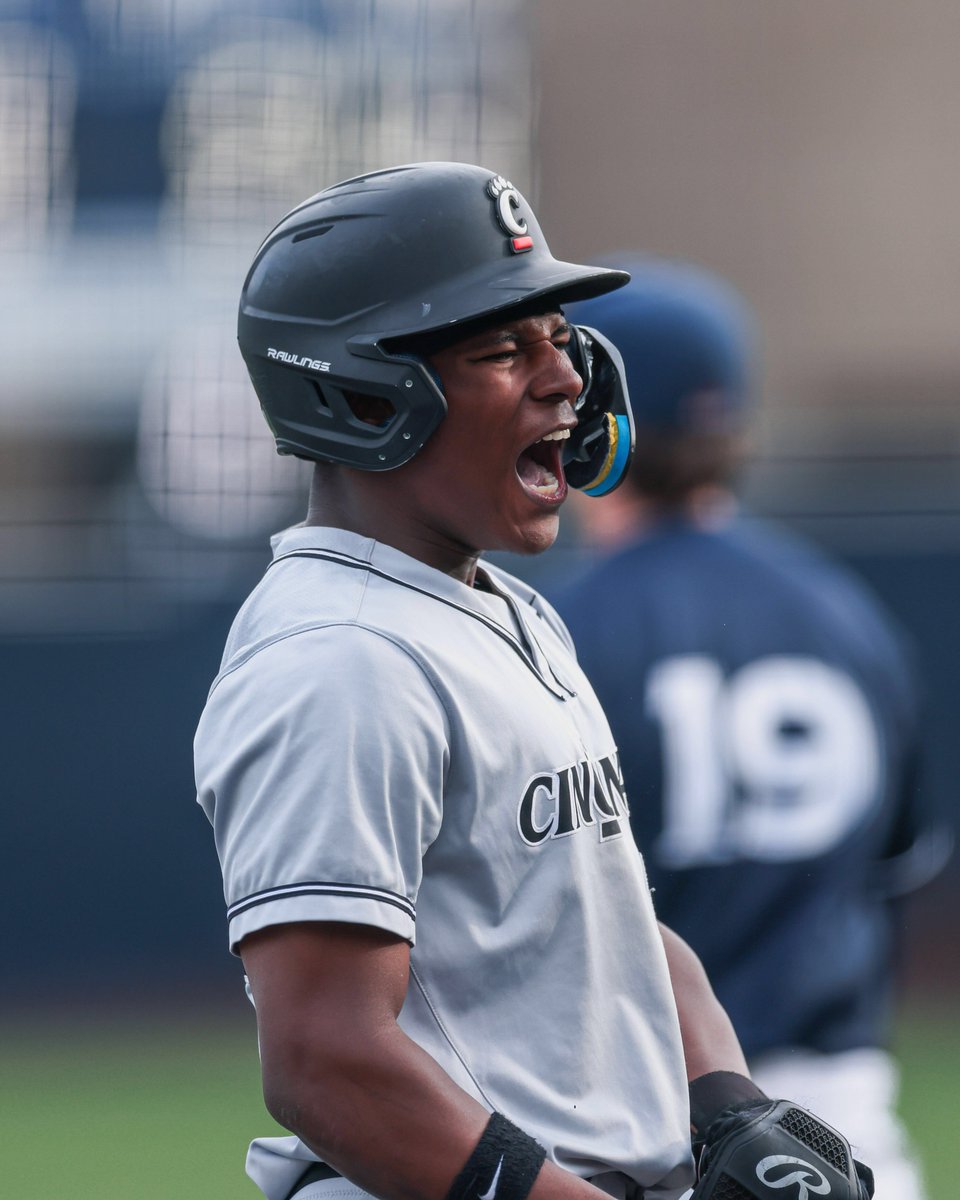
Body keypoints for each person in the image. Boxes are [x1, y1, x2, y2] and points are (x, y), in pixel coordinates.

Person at [194, 164, 873, 1200]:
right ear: (365, 394)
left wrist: (732, 1111)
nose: (564, 380)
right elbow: (327, 1058)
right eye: (503, 349)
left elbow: (609, 931)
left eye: (558, 339)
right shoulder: (339, 657)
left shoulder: (500, 606)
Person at [551, 257, 954, 1200]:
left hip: (651, 1126)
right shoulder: (845, 616)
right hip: (846, 1135)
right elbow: (896, 870)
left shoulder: (563, 634)